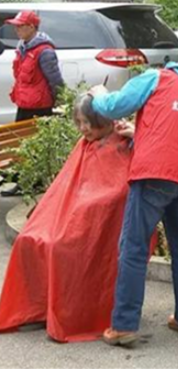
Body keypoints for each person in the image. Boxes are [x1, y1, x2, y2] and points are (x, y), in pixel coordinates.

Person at [89, 61, 178, 346]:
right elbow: (176, 130)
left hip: (156, 171)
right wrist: (139, 132)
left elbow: (112, 106)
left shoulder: (158, 77)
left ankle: (124, 325)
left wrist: (98, 93)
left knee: (132, 246)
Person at [0, 95, 135, 342]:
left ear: (103, 120)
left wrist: (87, 204)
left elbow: (118, 190)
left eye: (88, 122)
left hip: (90, 220)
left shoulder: (120, 143)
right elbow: (66, 183)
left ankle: (67, 314)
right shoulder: (85, 143)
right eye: (79, 122)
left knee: (59, 247)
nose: (83, 128)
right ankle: (36, 310)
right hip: (71, 215)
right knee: (28, 240)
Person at [5, 10, 64, 121]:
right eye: (16, 26)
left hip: (39, 108)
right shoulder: (22, 48)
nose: (16, 29)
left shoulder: (44, 51)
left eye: (20, 26)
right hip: (23, 104)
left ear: (31, 27)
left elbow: (55, 81)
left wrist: (60, 101)